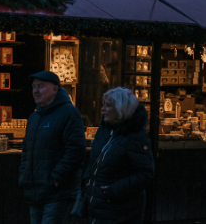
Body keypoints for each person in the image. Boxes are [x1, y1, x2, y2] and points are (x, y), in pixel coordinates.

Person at [19, 71, 86, 224]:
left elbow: (75, 152)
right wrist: (24, 176)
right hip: (36, 192)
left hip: (58, 194)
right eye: (34, 87)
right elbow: (26, 150)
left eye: (41, 86)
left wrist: (55, 179)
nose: (35, 91)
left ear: (55, 89)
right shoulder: (34, 117)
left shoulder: (69, 113)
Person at [83, 87, 155, 224]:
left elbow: (145, 173)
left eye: (108, 105)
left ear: (121, 109)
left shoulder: (136, 136)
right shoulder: (104, 130)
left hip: (121, 210)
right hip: (98, 205)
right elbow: (95, 161)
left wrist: (114, 190)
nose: (103, 108)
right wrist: (87, 180)